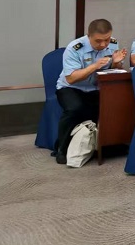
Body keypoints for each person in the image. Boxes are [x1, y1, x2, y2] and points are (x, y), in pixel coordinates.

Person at [54, 19, 127, 164]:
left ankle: (107, 145)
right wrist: (94, 66)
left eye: (106, 39)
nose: (103, 44)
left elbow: (113, 70)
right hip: (71, 88)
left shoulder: (113, 44)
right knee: (75, 109)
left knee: (114, 107)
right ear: (89, 36)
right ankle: (62, 148)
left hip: (97, 87)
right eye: (98, 41)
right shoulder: (75, 48)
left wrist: (116, 63)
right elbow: (71, 78)